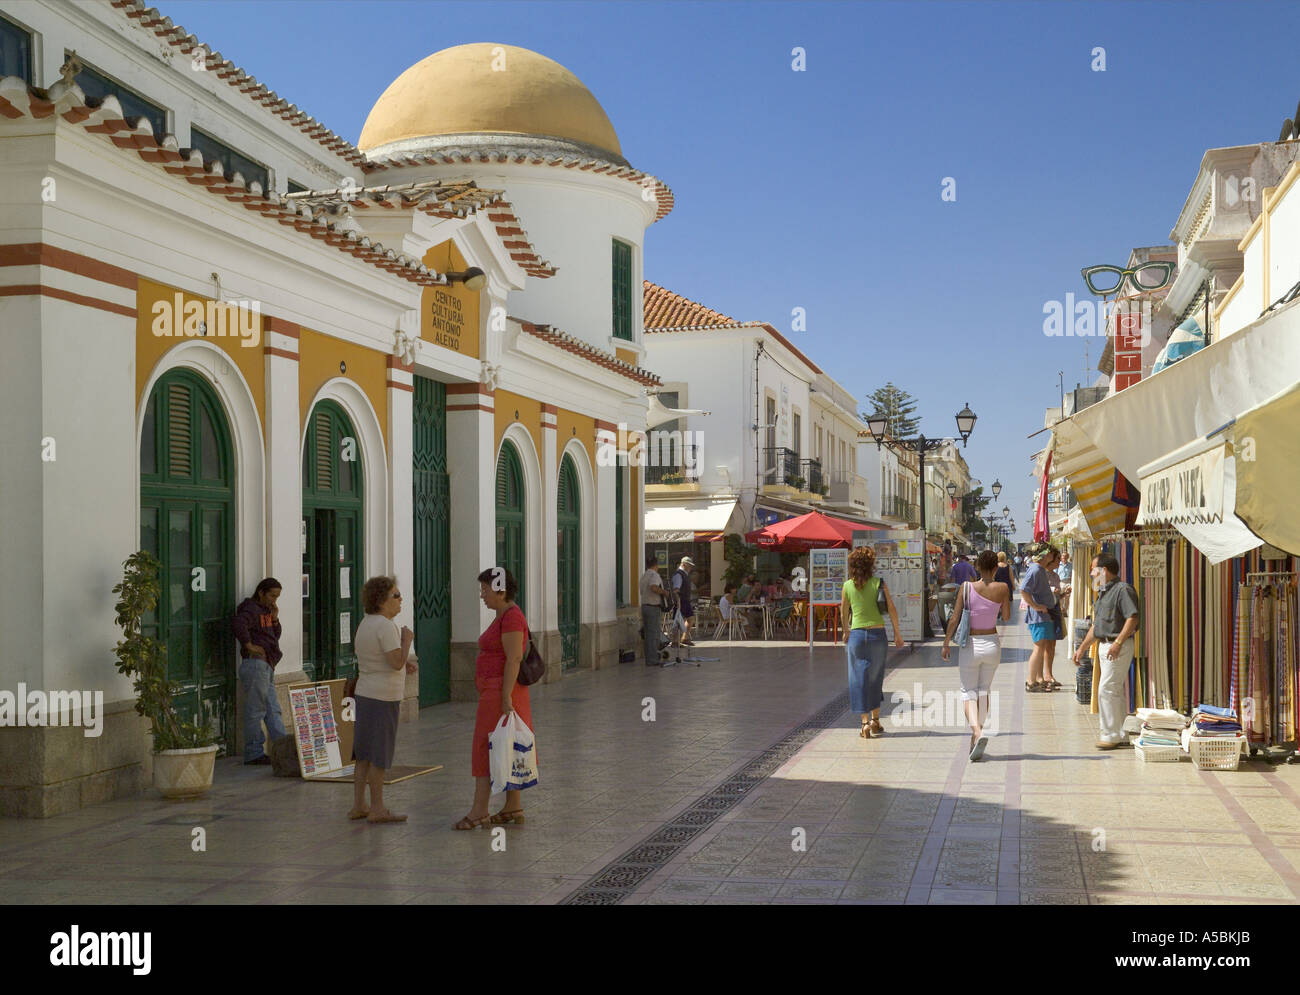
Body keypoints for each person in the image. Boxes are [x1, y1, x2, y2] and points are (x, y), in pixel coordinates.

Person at [457, 567, 536, 829]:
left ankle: (479, 810)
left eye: (485, 589)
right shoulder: (502, 615)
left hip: (502, 692)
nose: (482, 595)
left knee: (484, 747)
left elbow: (513, 658)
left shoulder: (511, 618)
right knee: (507, 745)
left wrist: (504, 698)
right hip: (498, 691)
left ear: (500, 591)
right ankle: (513, 805)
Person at [349, 576, 415, 823]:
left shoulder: (366, 623)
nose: (400, 600)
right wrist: (406, 642)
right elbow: (395, 661)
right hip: (383, 698)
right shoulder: (387, 626)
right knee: (379, 755)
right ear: (382, 600)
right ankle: (377, 808)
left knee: (363, 753)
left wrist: (401, 660)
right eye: (396, 596)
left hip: (365, 693)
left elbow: (379, 658)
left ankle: (359, 804)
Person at [942, 550, 1011, 760]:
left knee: (968, 692)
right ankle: (977, 734)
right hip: (992, 643)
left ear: (978, 567)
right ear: (994, 568)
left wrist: (946, 643)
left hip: (970, 645)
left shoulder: (966, 587)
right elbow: (1006, 616)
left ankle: (977, 732)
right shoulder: (1003, 588)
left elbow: (954, 619)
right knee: (984, 690)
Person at [1072, 553, 1140, 750]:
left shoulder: (1123, 590)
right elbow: (1097, 625)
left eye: (1094, 570)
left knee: (1106, 689)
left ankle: (1110, 735)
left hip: (1117, 646)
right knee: (1114, 690)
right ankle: (1121, 733)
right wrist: (1083, 648)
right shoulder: (1102, 592)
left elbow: (1132, 618)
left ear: (1105, 571)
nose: (1092, 574)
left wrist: (1118, 642)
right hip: (1105, 645)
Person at [840, 546, 905, 740]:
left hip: (857, 637)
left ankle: (865, 723)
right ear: (870, 565)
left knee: (858, 679)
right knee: (875, 679)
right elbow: (891, 608)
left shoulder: (847, 586)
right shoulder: (879, 583)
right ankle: (876, 721)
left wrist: (845, 631)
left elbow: (843, 611)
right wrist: (897, 633)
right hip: (878, 635)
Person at [232, 578, 286, 766]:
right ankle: (254, 751)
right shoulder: (250, 608)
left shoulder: (267, 611)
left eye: (277, 596)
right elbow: (238, 624)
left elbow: (274, 636)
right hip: (256, 664)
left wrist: (275, 618)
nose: (274, 600)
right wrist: (249, 645)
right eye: (272, 595)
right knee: (257, 710)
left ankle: (283, 748)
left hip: (268, 664)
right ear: (261, 592)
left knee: (273, 709)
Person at [1020, 543, 1059, 692]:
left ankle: (1037, 679)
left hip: (1043, 616)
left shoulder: (1039, 569)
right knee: (1038, 647)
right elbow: (1024, 590)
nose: (1051, 556)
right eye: (1050, 554)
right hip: (1039, 616)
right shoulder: (1036, 570)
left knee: (1041, 647)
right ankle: (1031, 681)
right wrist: (1036, 606)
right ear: (1044, 555)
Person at [639, 555, 669, 666]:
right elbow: (653, 587)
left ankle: (649, 658)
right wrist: (664, 592)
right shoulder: (654, 575)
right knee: (653, 634)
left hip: (644, 606)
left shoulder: (644, 575)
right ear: (656, 565)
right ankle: (652, 660)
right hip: (653, 607)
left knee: (647, 635)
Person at [671, 556, 697, 648]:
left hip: (685, 600)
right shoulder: (679, 574)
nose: (690, 567)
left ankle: (684, 638)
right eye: (689, 565)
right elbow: (676, 589)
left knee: (690, 618)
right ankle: (674, 641)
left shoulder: (684, 574)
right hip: (680, 600)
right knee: (678, 621)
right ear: (684, 564)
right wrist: (678, 601)